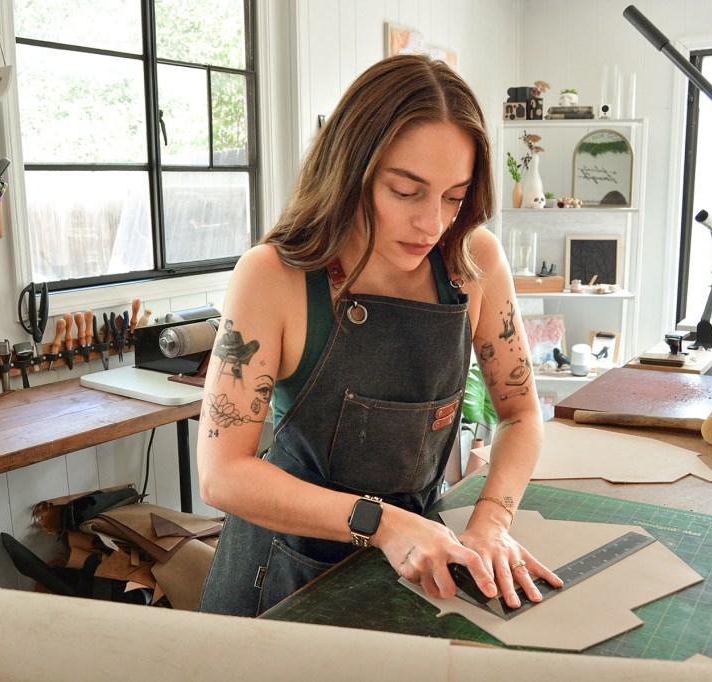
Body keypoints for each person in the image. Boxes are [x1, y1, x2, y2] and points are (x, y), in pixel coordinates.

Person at [197, 54, 561, 617]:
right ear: (350, 172)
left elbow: (520, 413)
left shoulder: (473, 261)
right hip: (282, 576)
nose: (433, 224)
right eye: (404, 191)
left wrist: (491, 521)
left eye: (453, 196)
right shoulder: (274, 276)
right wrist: (384, 523)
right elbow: (223, 477)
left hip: (419, 562)